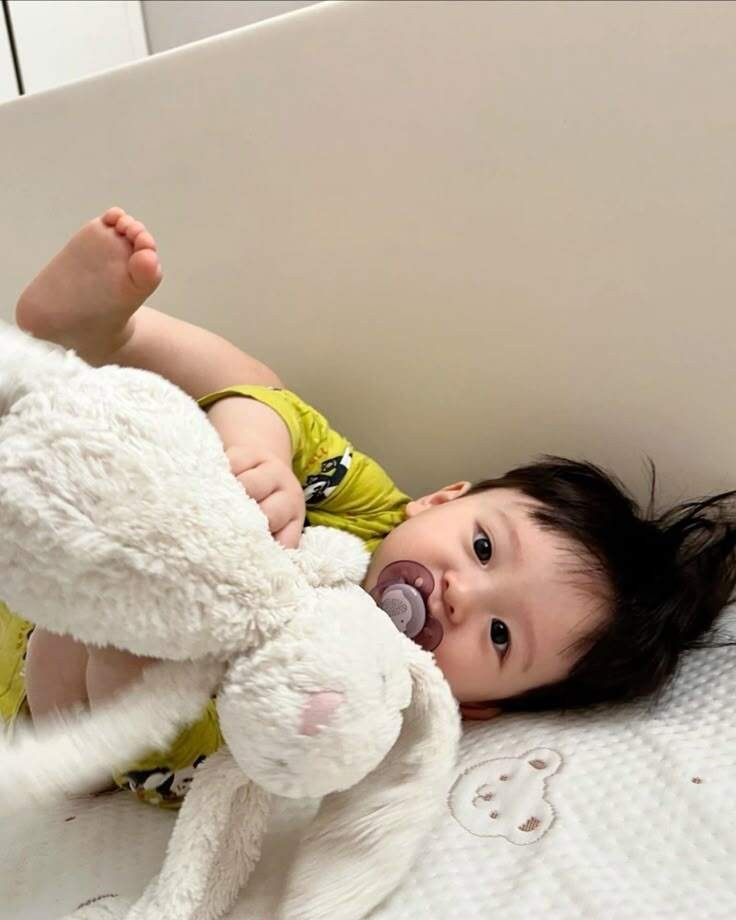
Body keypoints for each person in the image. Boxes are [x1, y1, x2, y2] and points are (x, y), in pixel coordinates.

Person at [2, 208, 735, 806]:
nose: (462, 595)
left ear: (476, 709)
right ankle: (109, 334)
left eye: (500, 636)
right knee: (261, 386)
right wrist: (257, 453)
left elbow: (200, 758)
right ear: (440, 500)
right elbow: (289, 417)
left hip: (51, 703)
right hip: (53, 529)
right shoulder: (374, 514)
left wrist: (147, 618)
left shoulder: (364, 701)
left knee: (104, 702)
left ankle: (110, 614)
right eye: (483, 548)